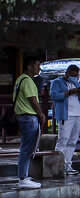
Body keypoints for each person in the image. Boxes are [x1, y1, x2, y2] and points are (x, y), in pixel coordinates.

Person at [13, 57, 43, 189]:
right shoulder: (28, 81)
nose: (39, 68)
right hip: (29, 116)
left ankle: (24, 176)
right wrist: (41, 114)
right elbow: (32, 99)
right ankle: (23, 178)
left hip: (23, 116)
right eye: (37, 65)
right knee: (27, 149)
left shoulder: (20, 79)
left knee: (26, 148)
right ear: (30, 66)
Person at [50, 64, 80, 174]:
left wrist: (79, 94)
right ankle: (59, 165)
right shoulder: (57, 82)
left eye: (76, 75)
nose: (74, 77)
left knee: (73, 141)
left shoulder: (77, 83)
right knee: (63, 139)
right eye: (72, 75)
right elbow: (54, 96)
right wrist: (68, 93)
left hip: (77, 114)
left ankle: (68, 164)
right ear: (67, 73)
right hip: (66, 115)